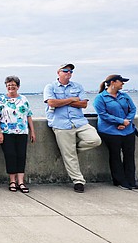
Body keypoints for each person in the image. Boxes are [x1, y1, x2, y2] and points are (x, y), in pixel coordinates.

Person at [43, 63, 101, 193]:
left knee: (95, 140)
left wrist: (62, 102)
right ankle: (78, 181)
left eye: (70, 71)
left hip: (79, 122)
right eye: (65, 71)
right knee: (69, 156)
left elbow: (83, 104)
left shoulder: (77, 86)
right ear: (58, 72)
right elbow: (51, 102)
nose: (68, 73)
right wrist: (71, 100)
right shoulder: (50, 87)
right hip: (61, 124)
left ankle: (70, 150)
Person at [0, 76, 36, 193]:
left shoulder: (24, 99)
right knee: (10, 155)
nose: (11, 87)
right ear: (6, 86)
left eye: (13, 85)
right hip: (6, 132)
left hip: (22, 132)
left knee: (21, 155)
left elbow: (29, 115)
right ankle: (12, 181)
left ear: (18, 86)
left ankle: (21, 182)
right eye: (9, 85)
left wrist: (32, 131)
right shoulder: (1, 99)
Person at [93, 74, 138, 190]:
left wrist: (126, 121)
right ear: (113, 82)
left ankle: (131, 180)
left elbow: (133, 109)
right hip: (110, 131)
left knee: (129, 155)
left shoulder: (124, 96)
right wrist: (120, 121)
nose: (123, 83)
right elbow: (103, 115)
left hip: (128, 130)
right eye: (121, 81)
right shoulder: (100, 98)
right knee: (115, 156)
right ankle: (120, 181)